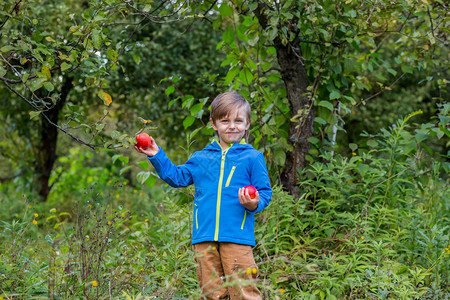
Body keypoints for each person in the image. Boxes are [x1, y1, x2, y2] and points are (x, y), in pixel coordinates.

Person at [135, 91, 272, 299]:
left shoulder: (253, 157)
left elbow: (264, 193)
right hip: (204, 237)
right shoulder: (201, 157)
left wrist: (254, 203)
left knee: (243, 291)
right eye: (225, 121)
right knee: (212, 293)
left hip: (237, 236)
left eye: (238, 120)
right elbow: (177, 177)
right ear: (214, 124)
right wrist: (156, 154)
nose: (232, 126)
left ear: (248, 123)